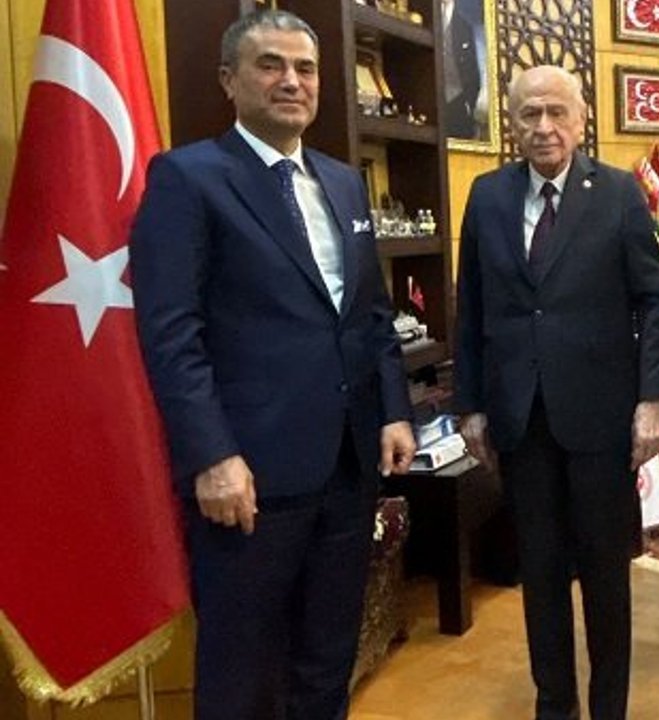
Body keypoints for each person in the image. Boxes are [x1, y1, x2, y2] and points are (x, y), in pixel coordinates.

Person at [130, 10, 417, 719]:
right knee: (242, 675)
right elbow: (171, 334)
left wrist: (393, 411)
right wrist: (211, 456)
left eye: (305, 68)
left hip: (347, 466)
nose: (292, 81)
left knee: (328, 662)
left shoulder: (343, 183)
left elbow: (370, 314)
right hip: (249, 476)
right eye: (271, 65)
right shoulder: (188, 178)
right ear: (229, 80)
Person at [453, 65, 659, 720]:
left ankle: (609, 709)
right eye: (530, 114)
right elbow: (471, 309)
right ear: (512, 123)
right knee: (540, 574)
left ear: (581, 119)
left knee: (605, 576)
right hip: (521, 421)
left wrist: (652, 399)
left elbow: (653, 301)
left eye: (557, 112)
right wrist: (470, 405)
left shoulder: (618, 194)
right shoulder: (487, 196)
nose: (544, 126)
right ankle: (555, 706)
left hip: (601, 417)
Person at [440, 0, 482, 138]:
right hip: (432, 95)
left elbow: (474, 66)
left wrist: (471, 103)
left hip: (459, 98)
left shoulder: (466, 20)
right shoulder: (426, 13)